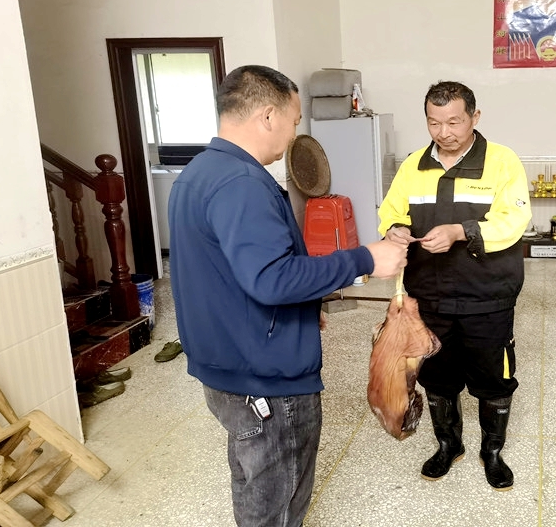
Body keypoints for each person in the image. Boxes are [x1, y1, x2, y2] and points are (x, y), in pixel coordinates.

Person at [168, 65, 407, 527]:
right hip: (264, 377)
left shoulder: (199, 172)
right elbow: (271, 278)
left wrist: (304, 304)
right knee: (277, 498)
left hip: (226, 364)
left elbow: (228, 272)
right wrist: (364, 258)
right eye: (294, 121)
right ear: (267, 116)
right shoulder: (241, 184)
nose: (295, 133)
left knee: (253, 480)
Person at [378, 81, 532, 491]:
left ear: (474, 117)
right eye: (434, 122)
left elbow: (514, 220)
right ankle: (449, 445)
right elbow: (391, 210)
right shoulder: (413, 165)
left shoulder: (502, 161)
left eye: (454, 122)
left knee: (494, 377)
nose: (443, 132)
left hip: (488, 294)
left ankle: (492, 451)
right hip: (430, 295)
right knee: (437, 375)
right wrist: (394, 228)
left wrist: (461, 231)